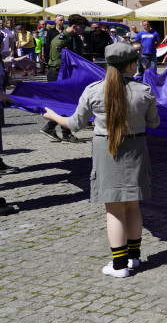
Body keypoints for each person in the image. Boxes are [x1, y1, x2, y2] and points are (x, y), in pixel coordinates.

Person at [41, 42, 159, 277]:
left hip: (107, 150)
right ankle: (133, 259)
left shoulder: (93, 90)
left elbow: (75, 124)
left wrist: (53, 116)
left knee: (114, 209)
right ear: (132, 64)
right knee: (133, 204)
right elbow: (154, 123)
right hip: (136, 148)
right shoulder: (144, 90)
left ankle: (118, 266)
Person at [41, 14, 89, 143]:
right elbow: (56, 63)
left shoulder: (76, 38)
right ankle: (63, 133)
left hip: (70, 75)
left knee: (67, 103)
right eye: (82, 28)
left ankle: (52, 128)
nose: (84, 31)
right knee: (64, 103)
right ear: (74, 26)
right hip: (58, 74)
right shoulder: (60, 40)